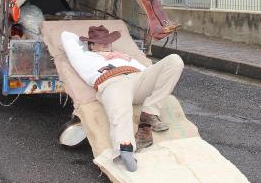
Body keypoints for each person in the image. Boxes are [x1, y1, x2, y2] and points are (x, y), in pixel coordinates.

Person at [61, 25, 184, 172]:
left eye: (108, 40)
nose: (106, 43)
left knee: (175, 60)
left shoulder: (122, 56)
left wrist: (122, 58)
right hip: (112, 82)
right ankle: (125, 149)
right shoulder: (83, 57)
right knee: (120, 112)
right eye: (100, 41)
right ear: (91, 45)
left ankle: (150, 112)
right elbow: (66, 36)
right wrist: (88, 44)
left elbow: (149, 72)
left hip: (138, 78)